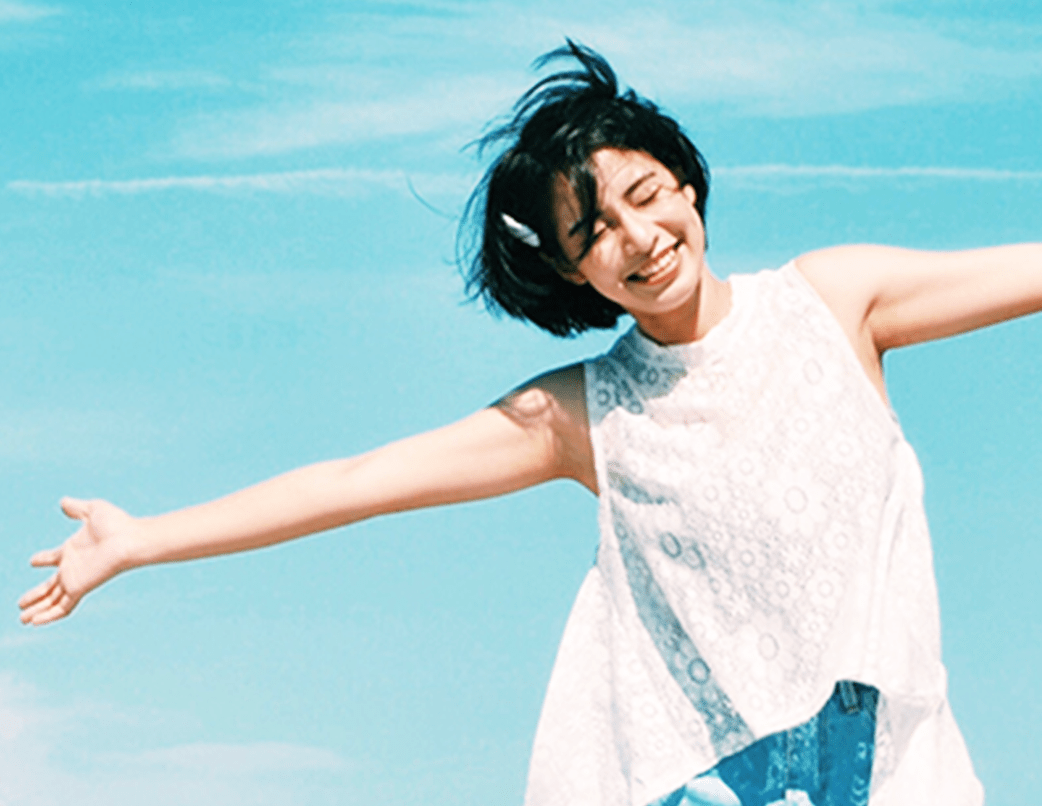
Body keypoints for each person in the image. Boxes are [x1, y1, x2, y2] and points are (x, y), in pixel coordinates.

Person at [17, 42, 1040, 806]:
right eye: (592, 231)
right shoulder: (584, 412)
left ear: (684, 180)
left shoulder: (834, 301)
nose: (637, 237)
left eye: (643, 194)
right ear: (570, 271)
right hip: (716, 780)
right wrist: (142, 537)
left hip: (898, 761)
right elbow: (357, 477)